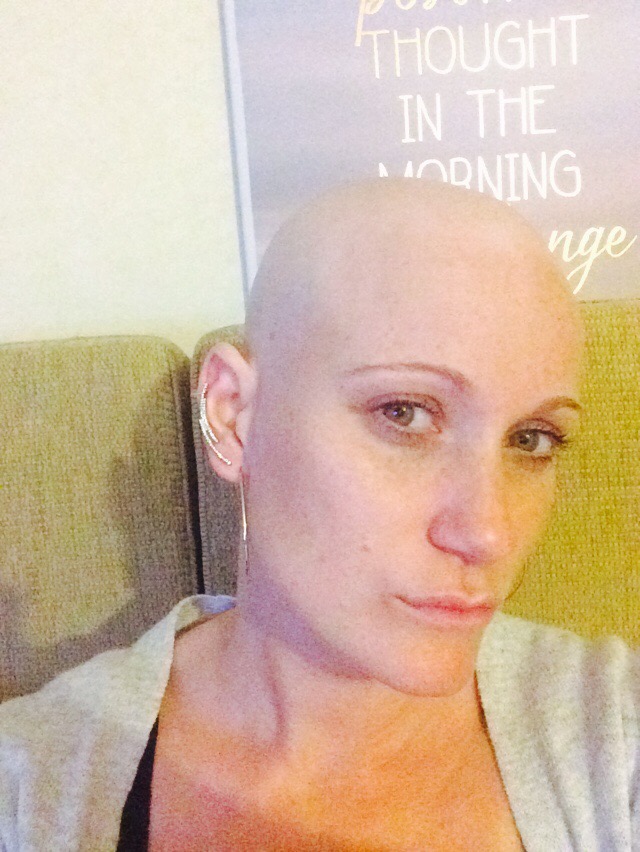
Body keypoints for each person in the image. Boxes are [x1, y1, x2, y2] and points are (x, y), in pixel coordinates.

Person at [0, 179, 637, 851]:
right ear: (235, 415)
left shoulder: (613, 736)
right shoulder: (30, 790)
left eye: (532, 439)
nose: (487, 532)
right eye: (404, 414)